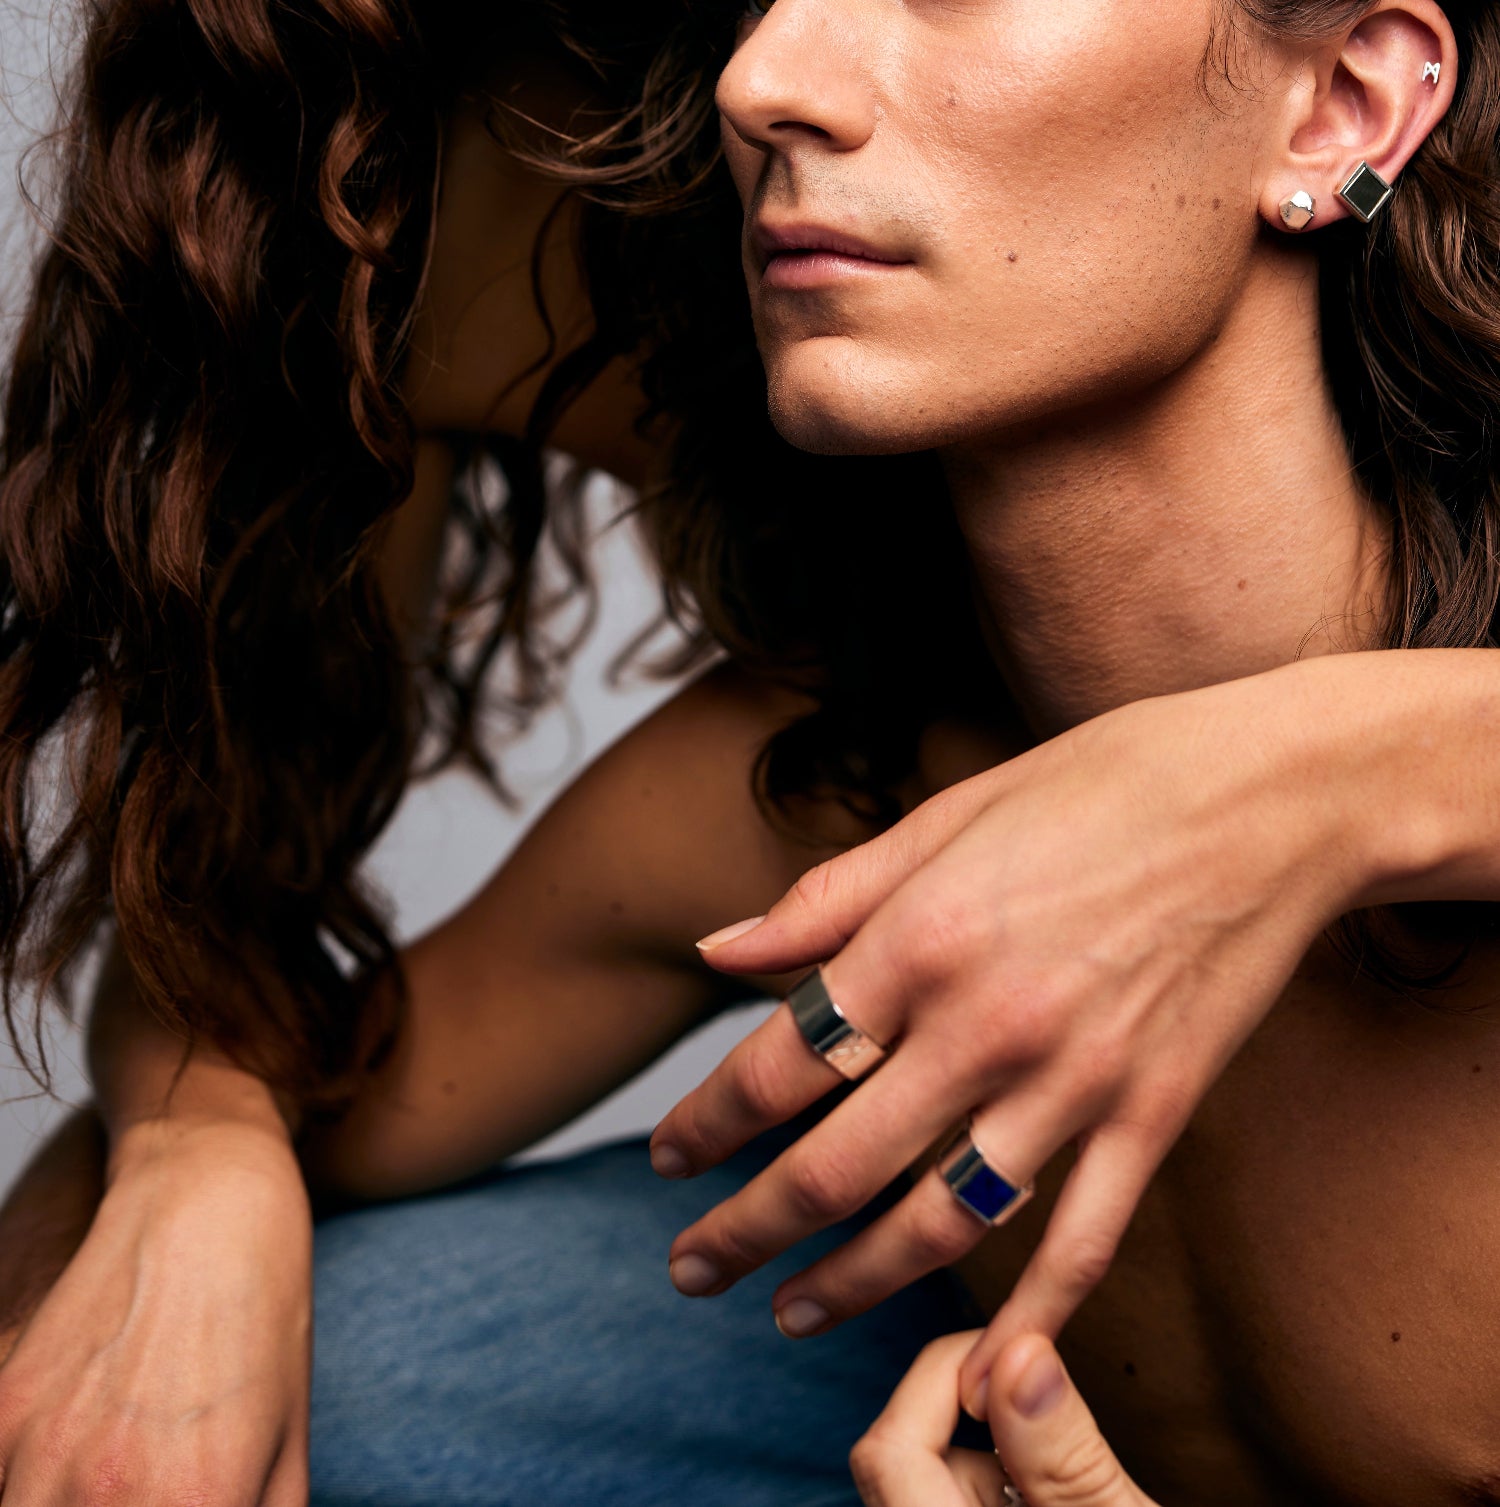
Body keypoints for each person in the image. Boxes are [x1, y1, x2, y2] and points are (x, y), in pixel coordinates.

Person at [1, 0, 1500, 1501]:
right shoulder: (815, 792)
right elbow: (246, 1011)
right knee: (319, 1357)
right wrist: (200, 1170)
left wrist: (1290, 783)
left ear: (1342, 107)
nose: (760, 81)